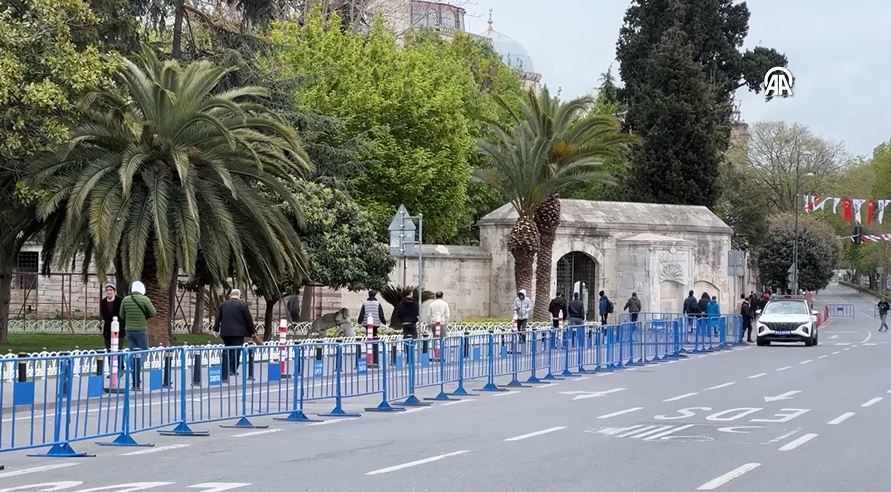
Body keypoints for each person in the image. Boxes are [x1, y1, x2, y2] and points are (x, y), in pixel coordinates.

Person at [212, 289, 256, 380]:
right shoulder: (242, 305)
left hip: (226, 332)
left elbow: (218, 318)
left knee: (228, 350)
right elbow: (248, 319)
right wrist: (252, 331)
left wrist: (215, 330)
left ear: (230, 295)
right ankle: (232, 369)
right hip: (238, 333)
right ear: (239, 295)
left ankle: (226, 369)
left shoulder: (223, 305)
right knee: (236, 351)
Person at [119, 281, 155, 390]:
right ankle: (136, 368)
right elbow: (153, 312)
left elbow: (121, 315)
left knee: (133, 352)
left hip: (129, 331)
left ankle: (132, 367)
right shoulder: (145, 299)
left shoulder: (125, 300)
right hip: (141, 330)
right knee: (144, 351)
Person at [357, 290, 387, 365]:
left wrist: (359, 322)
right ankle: (374, 350)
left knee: (368, 337)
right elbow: (381, 314)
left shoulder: (365, 303)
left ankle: (369, 349)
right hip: (376, 323)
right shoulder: (378, 304)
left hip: (367, 323)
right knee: (375, 337)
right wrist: (384, 322)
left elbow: (362, 313)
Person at [99, 284, 124, 351]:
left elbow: (123, 314)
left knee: (118, 350)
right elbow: (103, 315)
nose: (109, 292)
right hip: (107, 330)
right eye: (107, 290)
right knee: (108, 349)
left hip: (119, 329)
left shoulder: (120, 300)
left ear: (114, 291)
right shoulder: (103, 302)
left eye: (111, 290)